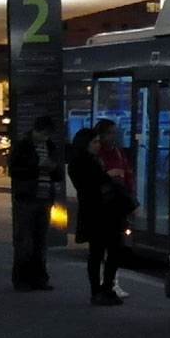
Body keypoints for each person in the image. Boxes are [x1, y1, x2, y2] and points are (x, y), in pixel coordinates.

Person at [68, 128, 129, 306]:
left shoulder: (95, 160)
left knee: (113, 252)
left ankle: (106, 288)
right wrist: (107, 176)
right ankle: (98, 290)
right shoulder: (80, 163)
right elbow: (88, 186)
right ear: (84, 144)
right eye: (94, 142)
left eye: (98, 142)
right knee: (97, 253)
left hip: (109, 212)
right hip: (96, 213)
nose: (98, 145)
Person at [9, 115, 62, 291]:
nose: (46, 137)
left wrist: (53, 169)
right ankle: (22, 279)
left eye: (48, 134)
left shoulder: (50, 146)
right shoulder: (23, 146)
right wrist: (37, 166)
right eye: (44, 134)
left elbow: (58, 175)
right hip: (27, 198)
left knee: (41, 240)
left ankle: (39, 278)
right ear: (36, 131)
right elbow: (14, 170)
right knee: (24, 241)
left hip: (44, 198)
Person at [94, 118, 134, 299]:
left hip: (119, 204)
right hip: (105, 206)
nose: (113, 136)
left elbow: (127, 175)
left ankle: (111, 283)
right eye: (110, 133)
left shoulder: (117, 152)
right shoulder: (98, 155)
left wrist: (130, 197)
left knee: (115, 248)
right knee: (104, 248)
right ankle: (105, 285)